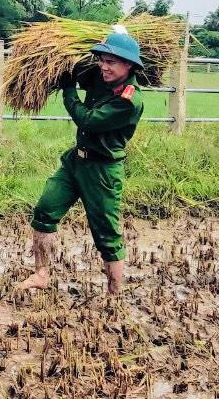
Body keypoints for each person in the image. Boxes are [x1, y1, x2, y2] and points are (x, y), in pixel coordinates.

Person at [23, 30, 145, 294]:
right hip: (75, 162)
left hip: (102, 171)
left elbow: (88, 119)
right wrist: (58, 58)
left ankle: (114, 294)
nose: (104, 66)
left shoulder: (129, 101)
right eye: (102, 59)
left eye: (111, 62)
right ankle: (41, 274)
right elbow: (78, 69)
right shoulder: (101, 76)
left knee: (106, 234)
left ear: (129, 65)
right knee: (45, 209)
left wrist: (69, 91)